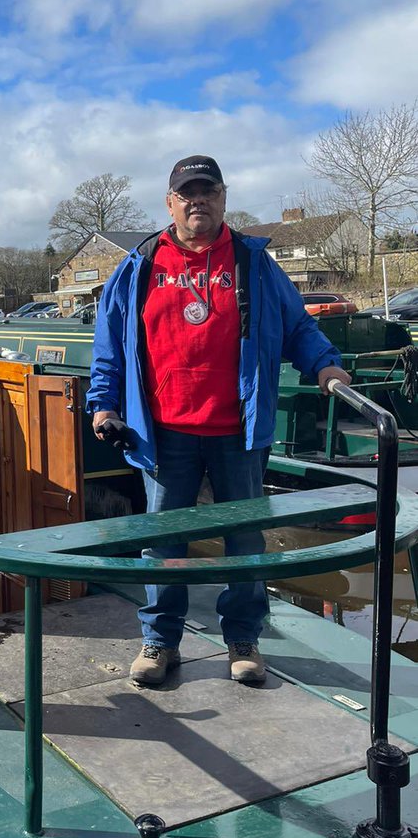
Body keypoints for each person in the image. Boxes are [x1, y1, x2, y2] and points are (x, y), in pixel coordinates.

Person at [87, 155, 351, 686]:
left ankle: (243, 640)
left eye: (207, 192)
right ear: (170, 203)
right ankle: (160, 641)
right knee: (164, 542)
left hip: (238, 429)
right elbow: (110, 343)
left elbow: (297, 325)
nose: (197, 201)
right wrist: (103, 402)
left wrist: (325, 366)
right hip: (163, 433)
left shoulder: (253, 263)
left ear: (224, 198)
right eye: (187, 193)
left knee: (245, 540)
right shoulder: (139, 266)